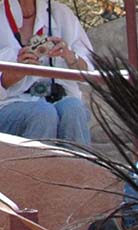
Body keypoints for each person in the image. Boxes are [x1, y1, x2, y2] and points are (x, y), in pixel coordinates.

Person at [0, 0, 92, 143]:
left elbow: (89, 72)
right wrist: (13, 74)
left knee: (74, 109)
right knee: (43, 113)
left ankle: (79, 158)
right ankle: (35, 158)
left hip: (59, 97)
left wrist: (69, 56)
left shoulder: (61, 14)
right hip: (11, 103)